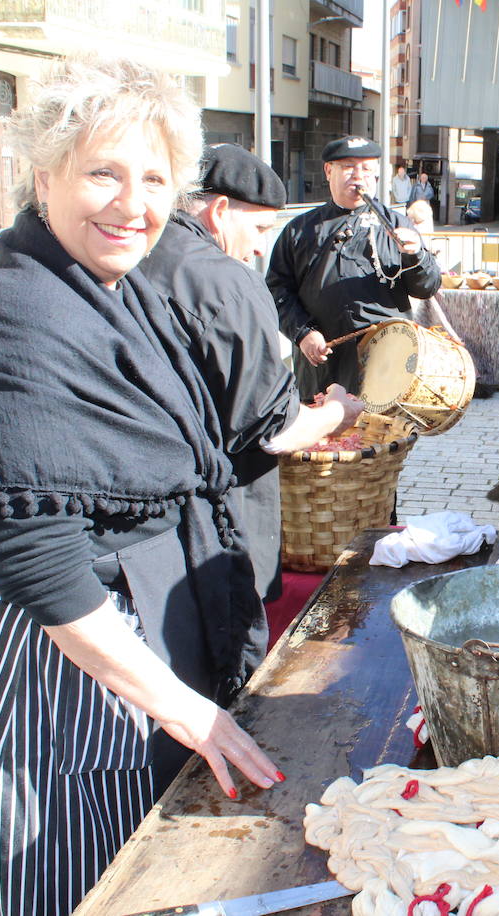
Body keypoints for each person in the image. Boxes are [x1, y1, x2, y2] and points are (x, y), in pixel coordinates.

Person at [0, 56, 287, 916]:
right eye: (103, 173)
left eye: (154, 178)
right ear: (43, 176)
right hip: (57, 663)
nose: (133, 204)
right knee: (76, 883)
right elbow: (40, 560)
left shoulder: (113, 288)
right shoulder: (16, 313)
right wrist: (190, 713)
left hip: (118, 647)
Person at [140, 142, 364, 625]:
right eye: (260, 227)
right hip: (211, 525)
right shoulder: (227, 281)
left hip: (145, 529)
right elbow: (276, 432)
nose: (261, 246)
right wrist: (337, 412)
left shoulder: (134, 256)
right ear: (220, 212)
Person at [268, 135, 442, 396]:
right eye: (348, 166)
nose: (358, 176)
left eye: (366, 168)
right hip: (322, 360)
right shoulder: (300, 230)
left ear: (375, 176)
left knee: (386, 434)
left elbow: (426, 288)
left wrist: (417, 255)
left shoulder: (397, 225)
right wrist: (302, 333)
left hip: (387, 361)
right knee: (326, 435)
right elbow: (277, 290)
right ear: (329, 171)